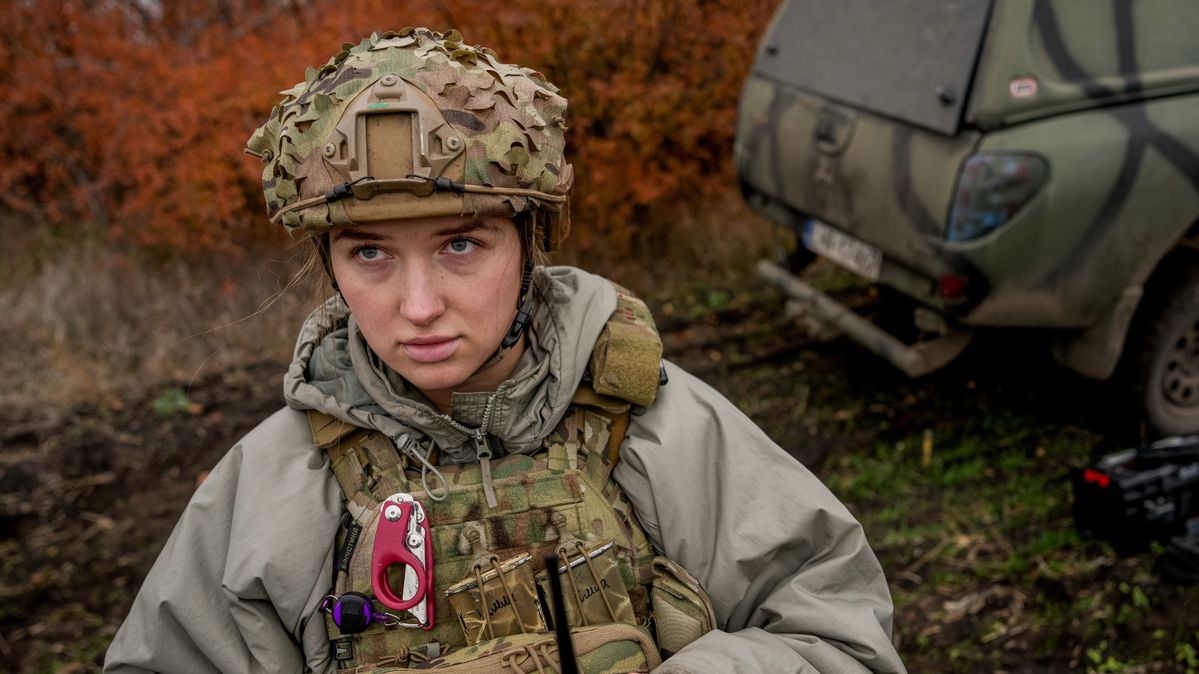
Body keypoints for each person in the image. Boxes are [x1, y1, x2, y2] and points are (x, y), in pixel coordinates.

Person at [105, 28, 905, 673]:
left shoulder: (660, 427)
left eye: (460, 244)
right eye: (369, 254)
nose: (417, 308)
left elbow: (838, 638)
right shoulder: (277, 484)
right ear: (329, 264)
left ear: (530, 242)